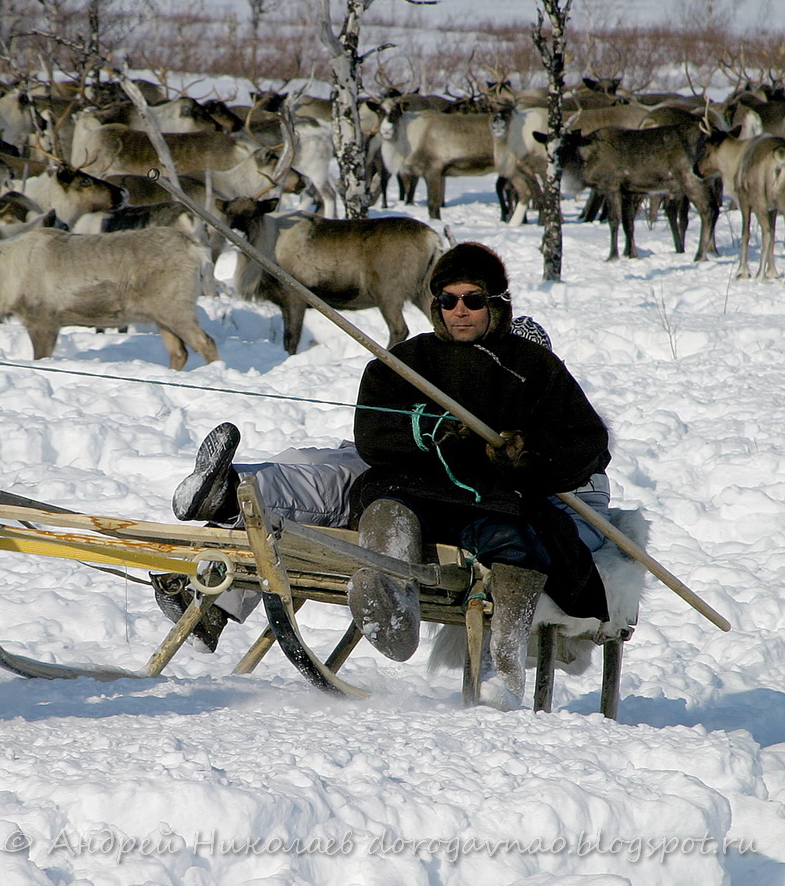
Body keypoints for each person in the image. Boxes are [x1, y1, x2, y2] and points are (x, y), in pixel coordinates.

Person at [160, 243, 613, 710]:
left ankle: (504, 665)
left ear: (496, 302)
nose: (461, 311)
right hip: (415, 484)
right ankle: (389, 603)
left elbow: (586, 443)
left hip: (494, 496)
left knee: (517, 543)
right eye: (448, 301)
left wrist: (526, 453)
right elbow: (373, 431)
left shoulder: (534, 368)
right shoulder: (409, 360)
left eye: (473, 300)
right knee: (380, 506)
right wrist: (427, 430)